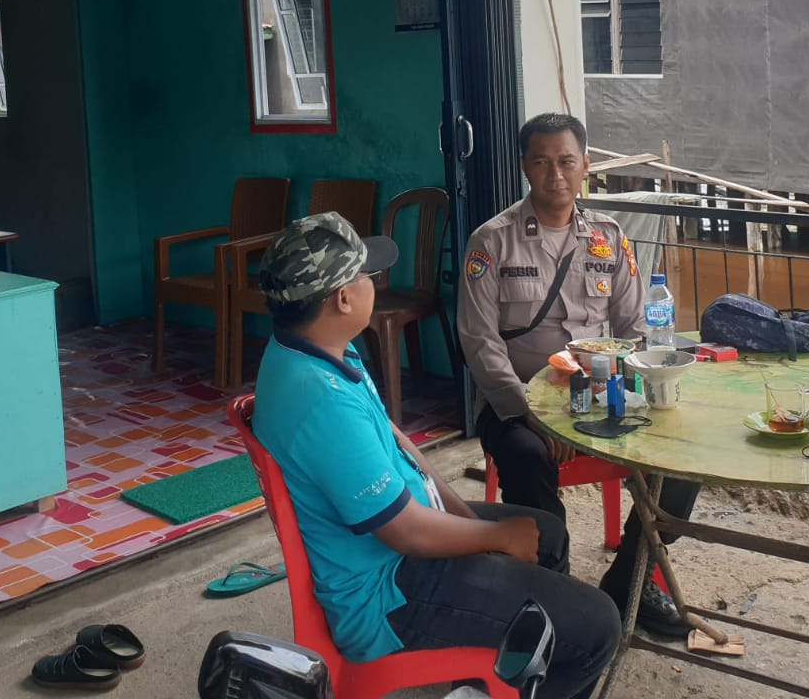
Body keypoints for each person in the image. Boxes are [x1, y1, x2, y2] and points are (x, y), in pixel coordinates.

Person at [251, 212, 621, 699]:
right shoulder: (320, 400)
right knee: (599, 625)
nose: (374, 284)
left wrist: (475, 523)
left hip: (396, 548)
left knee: (545, 533)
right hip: (389, 592)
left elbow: (404, 451)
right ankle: (536, 655)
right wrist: (493, 537)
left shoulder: (317, 348)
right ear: (342, 299)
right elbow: (404, 531)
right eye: (366, 276)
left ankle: (512, 666)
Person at [458, 112, 699, 639]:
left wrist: (642, 387)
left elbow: (636, 329)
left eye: (567, 161)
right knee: (525, 455)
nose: (555, 174)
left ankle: (630, 578)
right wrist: (535, 414)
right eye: (541, 162)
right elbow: (480, 341)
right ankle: (551, 593)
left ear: (586, 165)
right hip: (518, 400)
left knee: (684, 455)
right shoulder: (491, 242)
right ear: (524, 167)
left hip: (602, 394)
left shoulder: (608, 239)